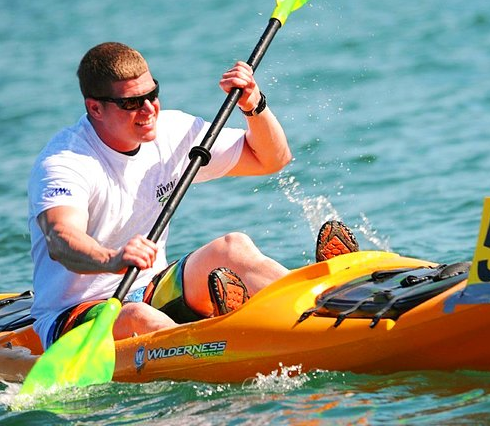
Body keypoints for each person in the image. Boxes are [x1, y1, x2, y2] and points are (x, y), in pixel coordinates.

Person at [28, 41, 360, 351]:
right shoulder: (66, 162)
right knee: (139, 318)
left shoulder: (171, 132)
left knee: (234, 247)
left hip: (151, 287)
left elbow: (271, 159)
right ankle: (224, 339)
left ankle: (326, 303)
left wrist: (254, 105)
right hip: (77, 312)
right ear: (95, 109)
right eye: (131, 103)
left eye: (153, 94)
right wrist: (112, 260)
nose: (148, 110)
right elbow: (61, 240)